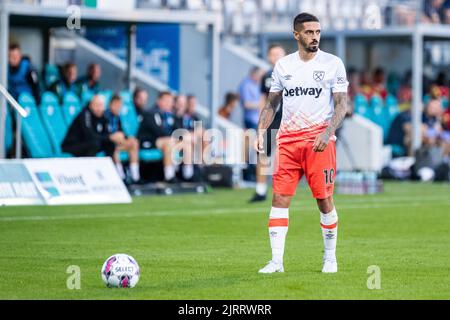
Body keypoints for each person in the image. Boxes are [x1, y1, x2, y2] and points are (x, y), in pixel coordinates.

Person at [255, 13, 349, 274]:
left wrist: (328, 131)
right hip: (288, 142)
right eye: (309, 32)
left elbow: (342, 104)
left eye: (318, 32)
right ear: (296, 35)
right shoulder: (283, 66)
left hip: (319, 141)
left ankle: (330, 258)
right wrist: (261, 131)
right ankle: (276, 261)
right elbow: (272, 103)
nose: (315, 37)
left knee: (324, 199)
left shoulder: (332, 64)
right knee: (279, 198)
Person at [249, 44, 286, 203]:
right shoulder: (266, 77)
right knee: (262, 152)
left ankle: (284, 189)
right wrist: (261, 126)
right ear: (269, 57)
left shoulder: (295, 74)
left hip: (291, 119)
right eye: (273, 54)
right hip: (273, 118)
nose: (276, 57)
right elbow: (263, 101)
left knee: (287, 155)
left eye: (279, 53)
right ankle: (260, 191)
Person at [137, 91, 193, 183]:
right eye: (166, 101)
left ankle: (188, 176)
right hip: (149, 142)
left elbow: (177, 129)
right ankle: (169, 176)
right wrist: (176, 138)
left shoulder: (170, 115)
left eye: (170, 101)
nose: (169, 103)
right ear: (159, 101)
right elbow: (159, 132)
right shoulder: (152, 113)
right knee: (169, 142)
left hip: (167, 140)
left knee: (186, 143)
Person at [105, 94, 140, 183]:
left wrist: (127, 137)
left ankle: (135, 176)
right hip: (108, 145)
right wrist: (112, 136)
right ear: (110, 104)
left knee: (134, 142)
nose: (118, 108)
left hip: (118, 143)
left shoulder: (117, 117)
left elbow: (121, 132)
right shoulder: (104, 116)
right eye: (116, 105)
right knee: (113, 147)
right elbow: (103, 134)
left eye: (120, 106)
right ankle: (121, 176)